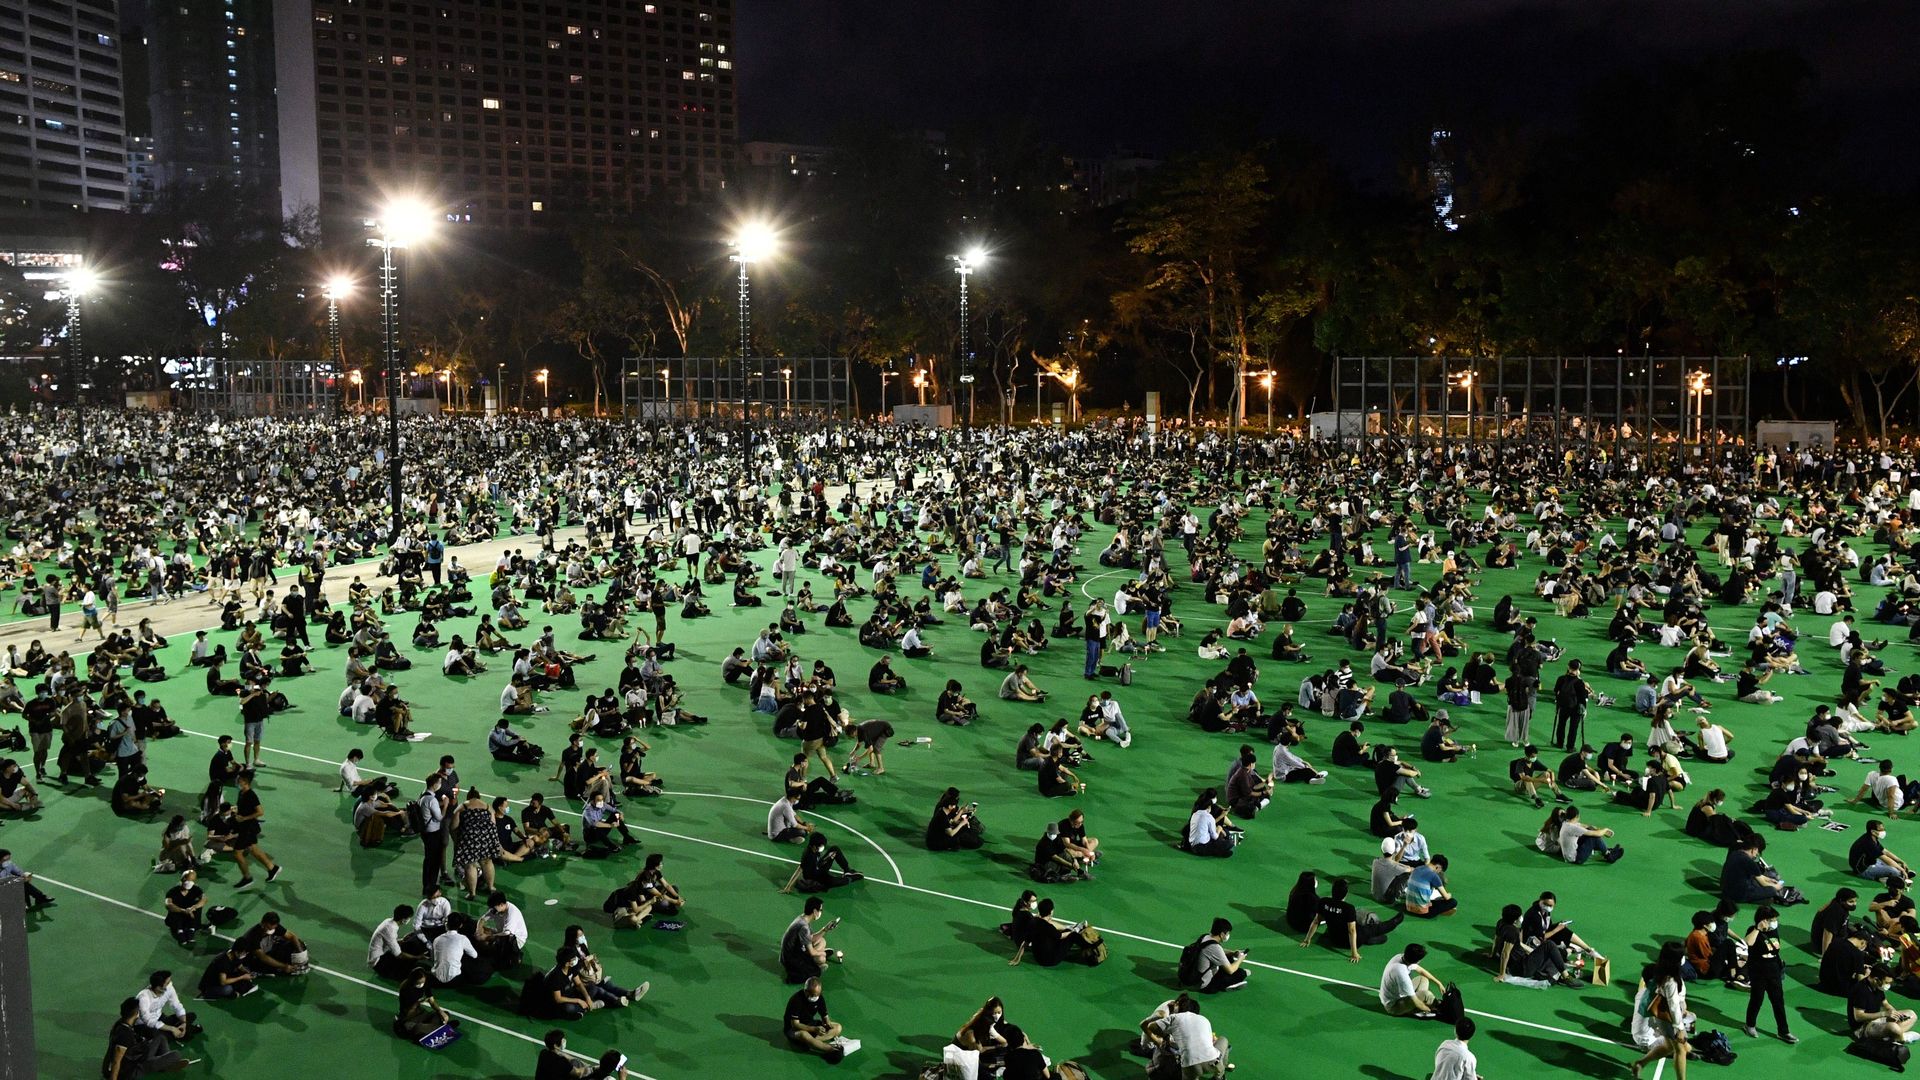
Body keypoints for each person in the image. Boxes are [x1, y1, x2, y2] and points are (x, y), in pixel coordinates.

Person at [1301, 877, 1402, 962]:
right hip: (1348, 942)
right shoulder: (1348, 908)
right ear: (1346, 893)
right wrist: (1354, 953)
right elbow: (1352, 931)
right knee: (1372, 929)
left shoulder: (1324, 902)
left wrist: (1307, 940)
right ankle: (1394, 922)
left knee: (1357, 924)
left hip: (1333, 938)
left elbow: (1316, 921)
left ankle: (1369, 938)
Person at [1741, 905, 1796, 1043]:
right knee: (1757, 999)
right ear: (1763, 920)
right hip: (1758, 970)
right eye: (1772, 919)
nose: (1775, 921)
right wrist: (1758, 929)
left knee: (1778, 1001)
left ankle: (1784, 1031)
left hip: (1773, 969)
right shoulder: (1753, 930)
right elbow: (1748, 942)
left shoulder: (1774, 930)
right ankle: (1749, 1025)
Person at [106, 995, 192, 1079]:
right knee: (176, 1055)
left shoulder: (122, 1022)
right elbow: (116, 1061)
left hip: (138, 1057)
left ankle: (162, 1063)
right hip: (134, 1069)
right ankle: (163, 1065)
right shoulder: (125, 1035)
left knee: (160, 1037)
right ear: (136, 1013)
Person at [1148, 994, 1231, 1079]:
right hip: (1212, 1063)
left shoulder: (1174, 1017)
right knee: (1223, 1040)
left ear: (1180, 1007)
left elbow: (1151, 1026)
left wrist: (1165, 1036)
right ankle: (1221, 1073)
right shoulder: (1204, 1019)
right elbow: (1210, 1041)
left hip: (1190, 1065)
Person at [785, 976, 858, 1063]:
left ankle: (811, 1042)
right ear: (806, 992)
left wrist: (827, 1024)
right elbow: (795, 1024)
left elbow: (825, 1016)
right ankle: (830, 1049)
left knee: (837, 1027)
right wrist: (814, 1029)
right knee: (804, 1034)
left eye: (817, 995)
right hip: (793, 1030)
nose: (815, 997)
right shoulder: (796, 1000)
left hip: (810, 1023)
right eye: (812, 995)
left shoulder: (819, 998)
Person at [780, 895, 842, 984]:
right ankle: (808, 967)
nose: (821, 912)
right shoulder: (804, 927)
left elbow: (810, 938)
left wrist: (826, 929)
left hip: (796, 950)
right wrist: (822, 953)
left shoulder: (803, 918)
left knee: (822, 941)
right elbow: (812, 952)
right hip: (791, 959)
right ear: (814, 911)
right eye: (820, 910)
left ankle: (814, 959)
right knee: (821, 961)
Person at [534, 1030, 631, 1080]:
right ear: (556, 1045)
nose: (564, 1041)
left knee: (577, 1062)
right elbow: (578, 1073)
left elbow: (564, 1056)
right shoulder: (609, 1079)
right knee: (578, 1065)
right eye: (562, 1040)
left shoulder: (544, 1053)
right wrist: (622, 1077)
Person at [1379, 943, 1441, 1017]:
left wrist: (1439, 983)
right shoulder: (1402, 973)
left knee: (1423, 979)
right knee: (1426, 995)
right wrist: (1429, 1010)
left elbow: (1421, 971)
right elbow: (1415, 1000)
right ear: (1417, 961)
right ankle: (1435, 1008)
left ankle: (1415, 1007)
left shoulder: (1401, 957)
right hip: (1394, 1006)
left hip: (1396, 996)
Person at [1189, 917, 1248, 992]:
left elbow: (1219, 952)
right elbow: (1231, 970)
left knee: (1229, 958)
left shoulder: (1205, 937)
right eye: (1228, 933)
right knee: (1241, 973)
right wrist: (1240, 959)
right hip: (1205, 986)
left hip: (1195, 976)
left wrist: (1232, 953)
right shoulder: (1214, 947)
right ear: (1222, 934)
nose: (1228, 935)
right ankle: (1228, 985)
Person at [1851, 819, 1914, 888]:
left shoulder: (1872, 838)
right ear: (1873, 831)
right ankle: (1901, 875)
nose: (1883, 831)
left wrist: (1901, 861)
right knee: (1893, 870)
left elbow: (1885, 852)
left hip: (1871, 862)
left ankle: (1889, 875)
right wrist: (1901, 869)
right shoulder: (1868, 843)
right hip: (1863, 870)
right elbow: (1886, 859)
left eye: (1883, 829)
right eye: (1880, 830)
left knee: (1894, 864)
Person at [1557, 806, 1624, 865]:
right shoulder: (1573, 828)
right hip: (1576, 859)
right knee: (1594, 838)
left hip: (1570, 855)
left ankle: (1606, 850)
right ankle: (1610, 856)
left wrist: (1597, 829)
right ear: (1576, 817)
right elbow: (1597, 834)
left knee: (1590, 830)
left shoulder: (1566, 823)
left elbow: (1585, 826)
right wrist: (1605, 830)